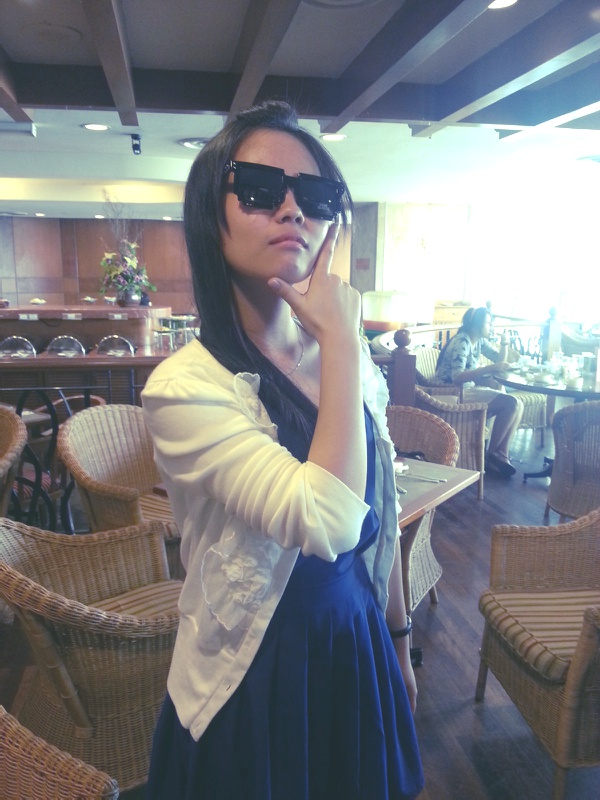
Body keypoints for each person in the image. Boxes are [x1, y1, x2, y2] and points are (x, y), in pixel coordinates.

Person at [141, 100, 424, 799]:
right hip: (252, 670)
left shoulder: (345, 360)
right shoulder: (184, 388)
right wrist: (342, 340)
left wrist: (399, 638)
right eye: (261, 190)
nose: (293, 210)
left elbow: (380, 512)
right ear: (210, 214)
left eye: (316, 196)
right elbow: (326, 519)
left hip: (353, 638)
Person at [435, 306, 523, 477]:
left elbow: (498, 359)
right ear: (477, 324)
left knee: (519, 404)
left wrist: (504, 343)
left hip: (467, 389)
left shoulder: (479, 341)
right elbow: (457, 377)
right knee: (511, 404)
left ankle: (501, 454)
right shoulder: (463, 342)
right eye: (489, 323)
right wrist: (488, 369)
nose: (491, 327)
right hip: (453, 392)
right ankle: (491, 455)